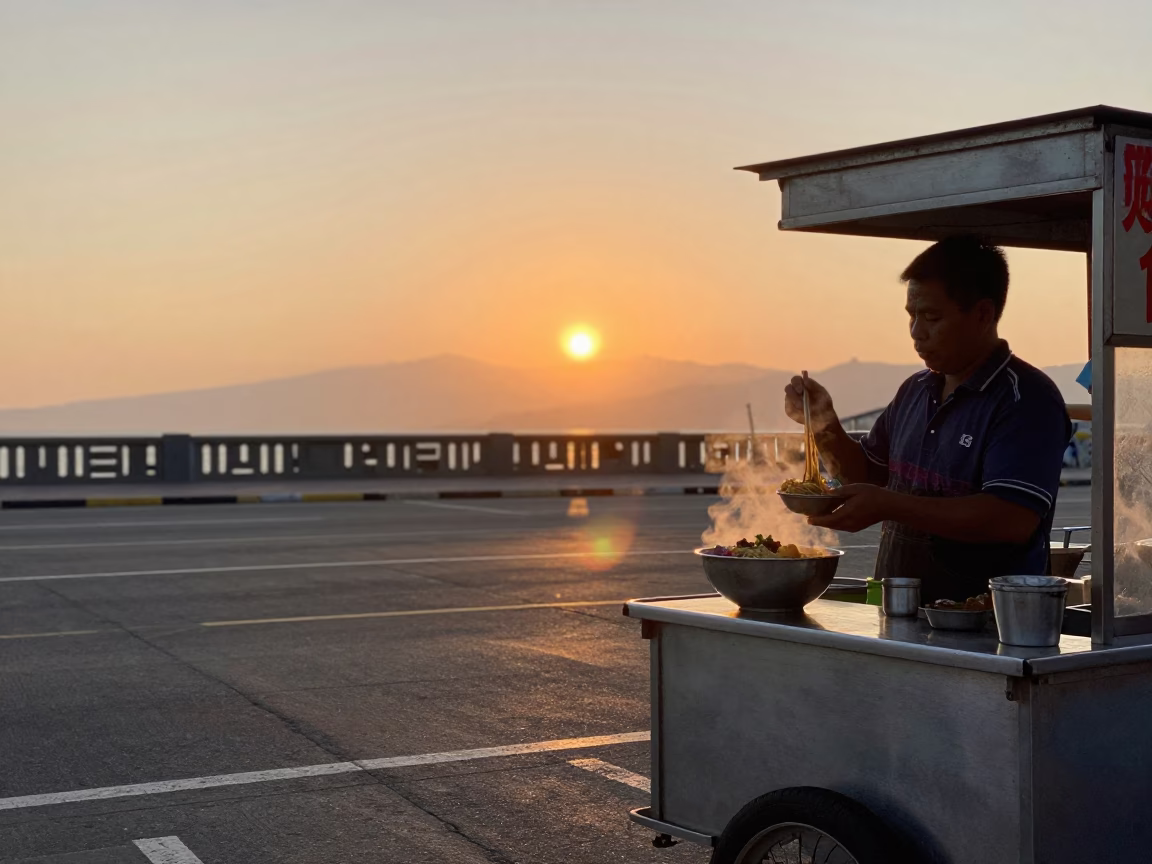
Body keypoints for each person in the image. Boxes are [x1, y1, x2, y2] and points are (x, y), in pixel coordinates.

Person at [784, 235, 1071, 604]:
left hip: (986, 625)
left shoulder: (1026, 399)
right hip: (896, 607)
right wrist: (822, 424)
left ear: (983, 314)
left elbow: (1010, 518)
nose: (917, 332)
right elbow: (866, 476)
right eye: (912, 316)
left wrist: (889, 504)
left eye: (932, 317)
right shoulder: (915, 390)